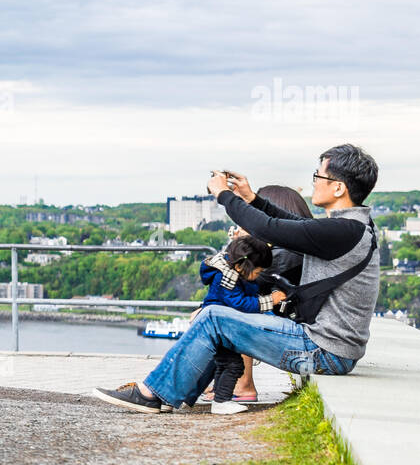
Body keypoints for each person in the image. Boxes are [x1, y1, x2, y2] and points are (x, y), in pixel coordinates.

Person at [92, 143, 380, 413]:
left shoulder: (343, 231)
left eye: (319, 175)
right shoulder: (354, 226)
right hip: (331, 347)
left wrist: (223, 195)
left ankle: (151, 395)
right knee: (221, 314)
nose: (314, 181)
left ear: (339, 187)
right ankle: (167, 392)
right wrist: (251, 198)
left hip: (323, 351)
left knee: (215, 316)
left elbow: (269, 229)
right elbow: (293, 224)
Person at [202, 183, 313, 401]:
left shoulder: (283, 254)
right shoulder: (290, 248)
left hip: (291, 320)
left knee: (233, 312)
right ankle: (219, 381)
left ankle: (243, 385)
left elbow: (246, 285)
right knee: (220, 310)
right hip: (290, 314)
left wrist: (241, 248)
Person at [196, 235, 286, 414]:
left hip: (220, 328)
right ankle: (221, 402)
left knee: (225, 365)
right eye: (258, 272)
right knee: (233, 365)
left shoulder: (233, 271)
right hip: (219, 329)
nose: (257, 277)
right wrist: (271, 301)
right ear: (242, 266)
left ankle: (220, 399)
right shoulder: (227, 278)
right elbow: (240, 304)